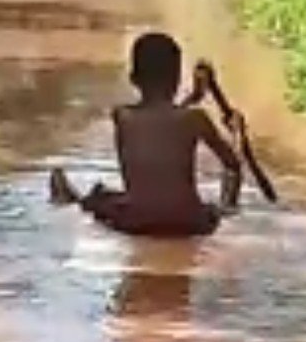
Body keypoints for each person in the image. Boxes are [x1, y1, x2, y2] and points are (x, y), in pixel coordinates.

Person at [50, 31, 243, 237]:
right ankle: (226, 208)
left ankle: (73, 200)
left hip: (136, 219)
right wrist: (237, 133)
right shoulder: (196, 119)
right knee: (220, 207)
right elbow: (233, 165)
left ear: (133, 78)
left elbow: (161, 120)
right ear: (177, 79)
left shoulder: (122, 117)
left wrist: (194, 97)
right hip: (190, 221)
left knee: (100, 198)